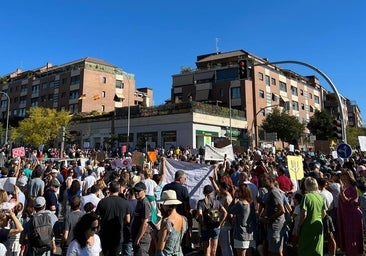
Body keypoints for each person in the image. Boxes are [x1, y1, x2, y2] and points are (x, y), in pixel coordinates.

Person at [95, 181, 130, 256]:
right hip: (118, 235)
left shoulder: (102, 202)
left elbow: (96, 217)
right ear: (119, 189)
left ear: (109, 190)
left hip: (105, 235)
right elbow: (128, 219)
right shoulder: (125, 203)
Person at [337, 168, 363, 256]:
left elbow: (348, 201)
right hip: (344, 214)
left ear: (349, 177)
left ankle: (354, 252)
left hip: (352, 215)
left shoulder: (353, 188)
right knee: (346, 235)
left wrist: (342, 193)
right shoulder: (343, 187)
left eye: (345, 177)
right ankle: (349, 251)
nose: (343, 179)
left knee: (352, 236)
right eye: (342, 177)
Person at [298, 177, 326, 256]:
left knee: (306, 249)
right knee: (317, 249)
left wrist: (299, 226)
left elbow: (304, 214)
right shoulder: (320, 197)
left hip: (308, 226)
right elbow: (324, 213)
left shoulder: (306, 196)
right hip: (318, 226)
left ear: (306, 185)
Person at [196, 185, 227, 256]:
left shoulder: (201, 203)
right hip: (215, 227)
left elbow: (200, 215)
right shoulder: (217, 202)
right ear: (212, 192)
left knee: (206, 250)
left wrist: (203, 225)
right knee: (214, 249)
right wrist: (220, 224)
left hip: (206, 227)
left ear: (204, 192)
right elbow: (225, 212)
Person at [156, 190, 188, 256]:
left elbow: (161, 247)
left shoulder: (166, 221)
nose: (162, 206)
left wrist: (153, 235)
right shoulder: (184, 219)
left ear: (166, 205)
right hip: (179, 253)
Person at [228, 183, 256, 256]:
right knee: (249, 252)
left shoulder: (240, 204)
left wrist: (234, 199)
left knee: (241, 254)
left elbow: (230, 210)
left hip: (240, 233)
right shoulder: (250, 203)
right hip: (249, 232)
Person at [261, 173, 285, 256]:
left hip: (276, 225)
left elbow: (282, 210)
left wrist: (269, 218)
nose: (262, 181)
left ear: (270, 181)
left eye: (265, 180)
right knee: (272, 249)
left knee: (276, 250)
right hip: (272, 224)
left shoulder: (274, 192)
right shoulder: (270, 192)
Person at [130, 182, 152, 256]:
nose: (136, 193)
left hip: (142, 240)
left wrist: (138, 238)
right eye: (135, 191)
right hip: (137, 238)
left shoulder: (145, 203)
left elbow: (145, 223)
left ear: (144, 191)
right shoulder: (139, 202)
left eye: (138, 191)